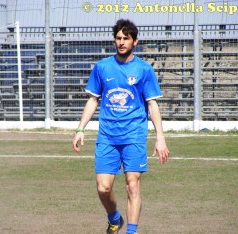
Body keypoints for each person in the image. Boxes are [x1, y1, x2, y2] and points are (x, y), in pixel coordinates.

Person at [72, 19, 170, 234]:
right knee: (103, 188)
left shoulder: (144, 70)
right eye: (118, 38)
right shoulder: (102, 67)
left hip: (134, 135)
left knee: (132, 185)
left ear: (135, 41)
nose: (122, 42)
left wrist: (160, 137)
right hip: (107, 136)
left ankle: (131, 232)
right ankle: (115, 218)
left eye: (126, 38)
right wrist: (80, 129)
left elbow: (152, 104)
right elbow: (93, 100)